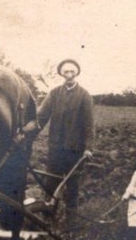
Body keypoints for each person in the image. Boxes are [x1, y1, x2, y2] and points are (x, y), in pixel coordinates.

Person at [21, 59, 94, 211]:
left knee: (72, 183)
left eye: (72, 71)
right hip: (56, 147)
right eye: (66, 72)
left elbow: (89, 124)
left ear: (77, 73)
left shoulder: (85, 95)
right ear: (61, 73)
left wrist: (88, 148)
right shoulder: (54, 94)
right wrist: (25, 136)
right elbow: (41, 117)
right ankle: (48, 211)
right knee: (51, 181)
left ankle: (71, 214)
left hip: (75, 149)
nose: (69, 75)